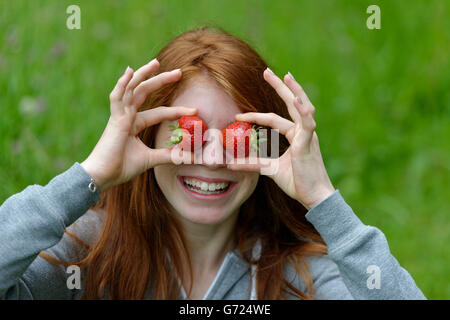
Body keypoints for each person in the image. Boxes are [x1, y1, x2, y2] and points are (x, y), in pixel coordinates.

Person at [0, 26, 425, 300]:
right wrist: (90, 176)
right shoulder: (88, 257)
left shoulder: (301, 279)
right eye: (191, 134)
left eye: (238, 139)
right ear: (144, 136)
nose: (215, 159)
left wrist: (323, 199)